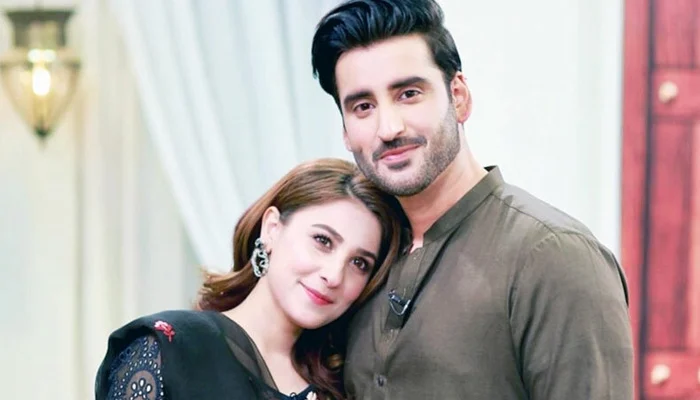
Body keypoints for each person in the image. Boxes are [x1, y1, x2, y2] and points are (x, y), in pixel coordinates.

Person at [311, 1, 634, 399]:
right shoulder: (361, 259)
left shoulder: (553, 256)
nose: (389, 128)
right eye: (363, 107)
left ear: (459, 97)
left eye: (409, 94)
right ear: (345, 130)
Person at [94, 158, 408, 400]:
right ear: (272, 229)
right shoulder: (168, 349)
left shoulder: (342, 387)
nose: (334, 275)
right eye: (322, 241)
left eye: (359, 263)